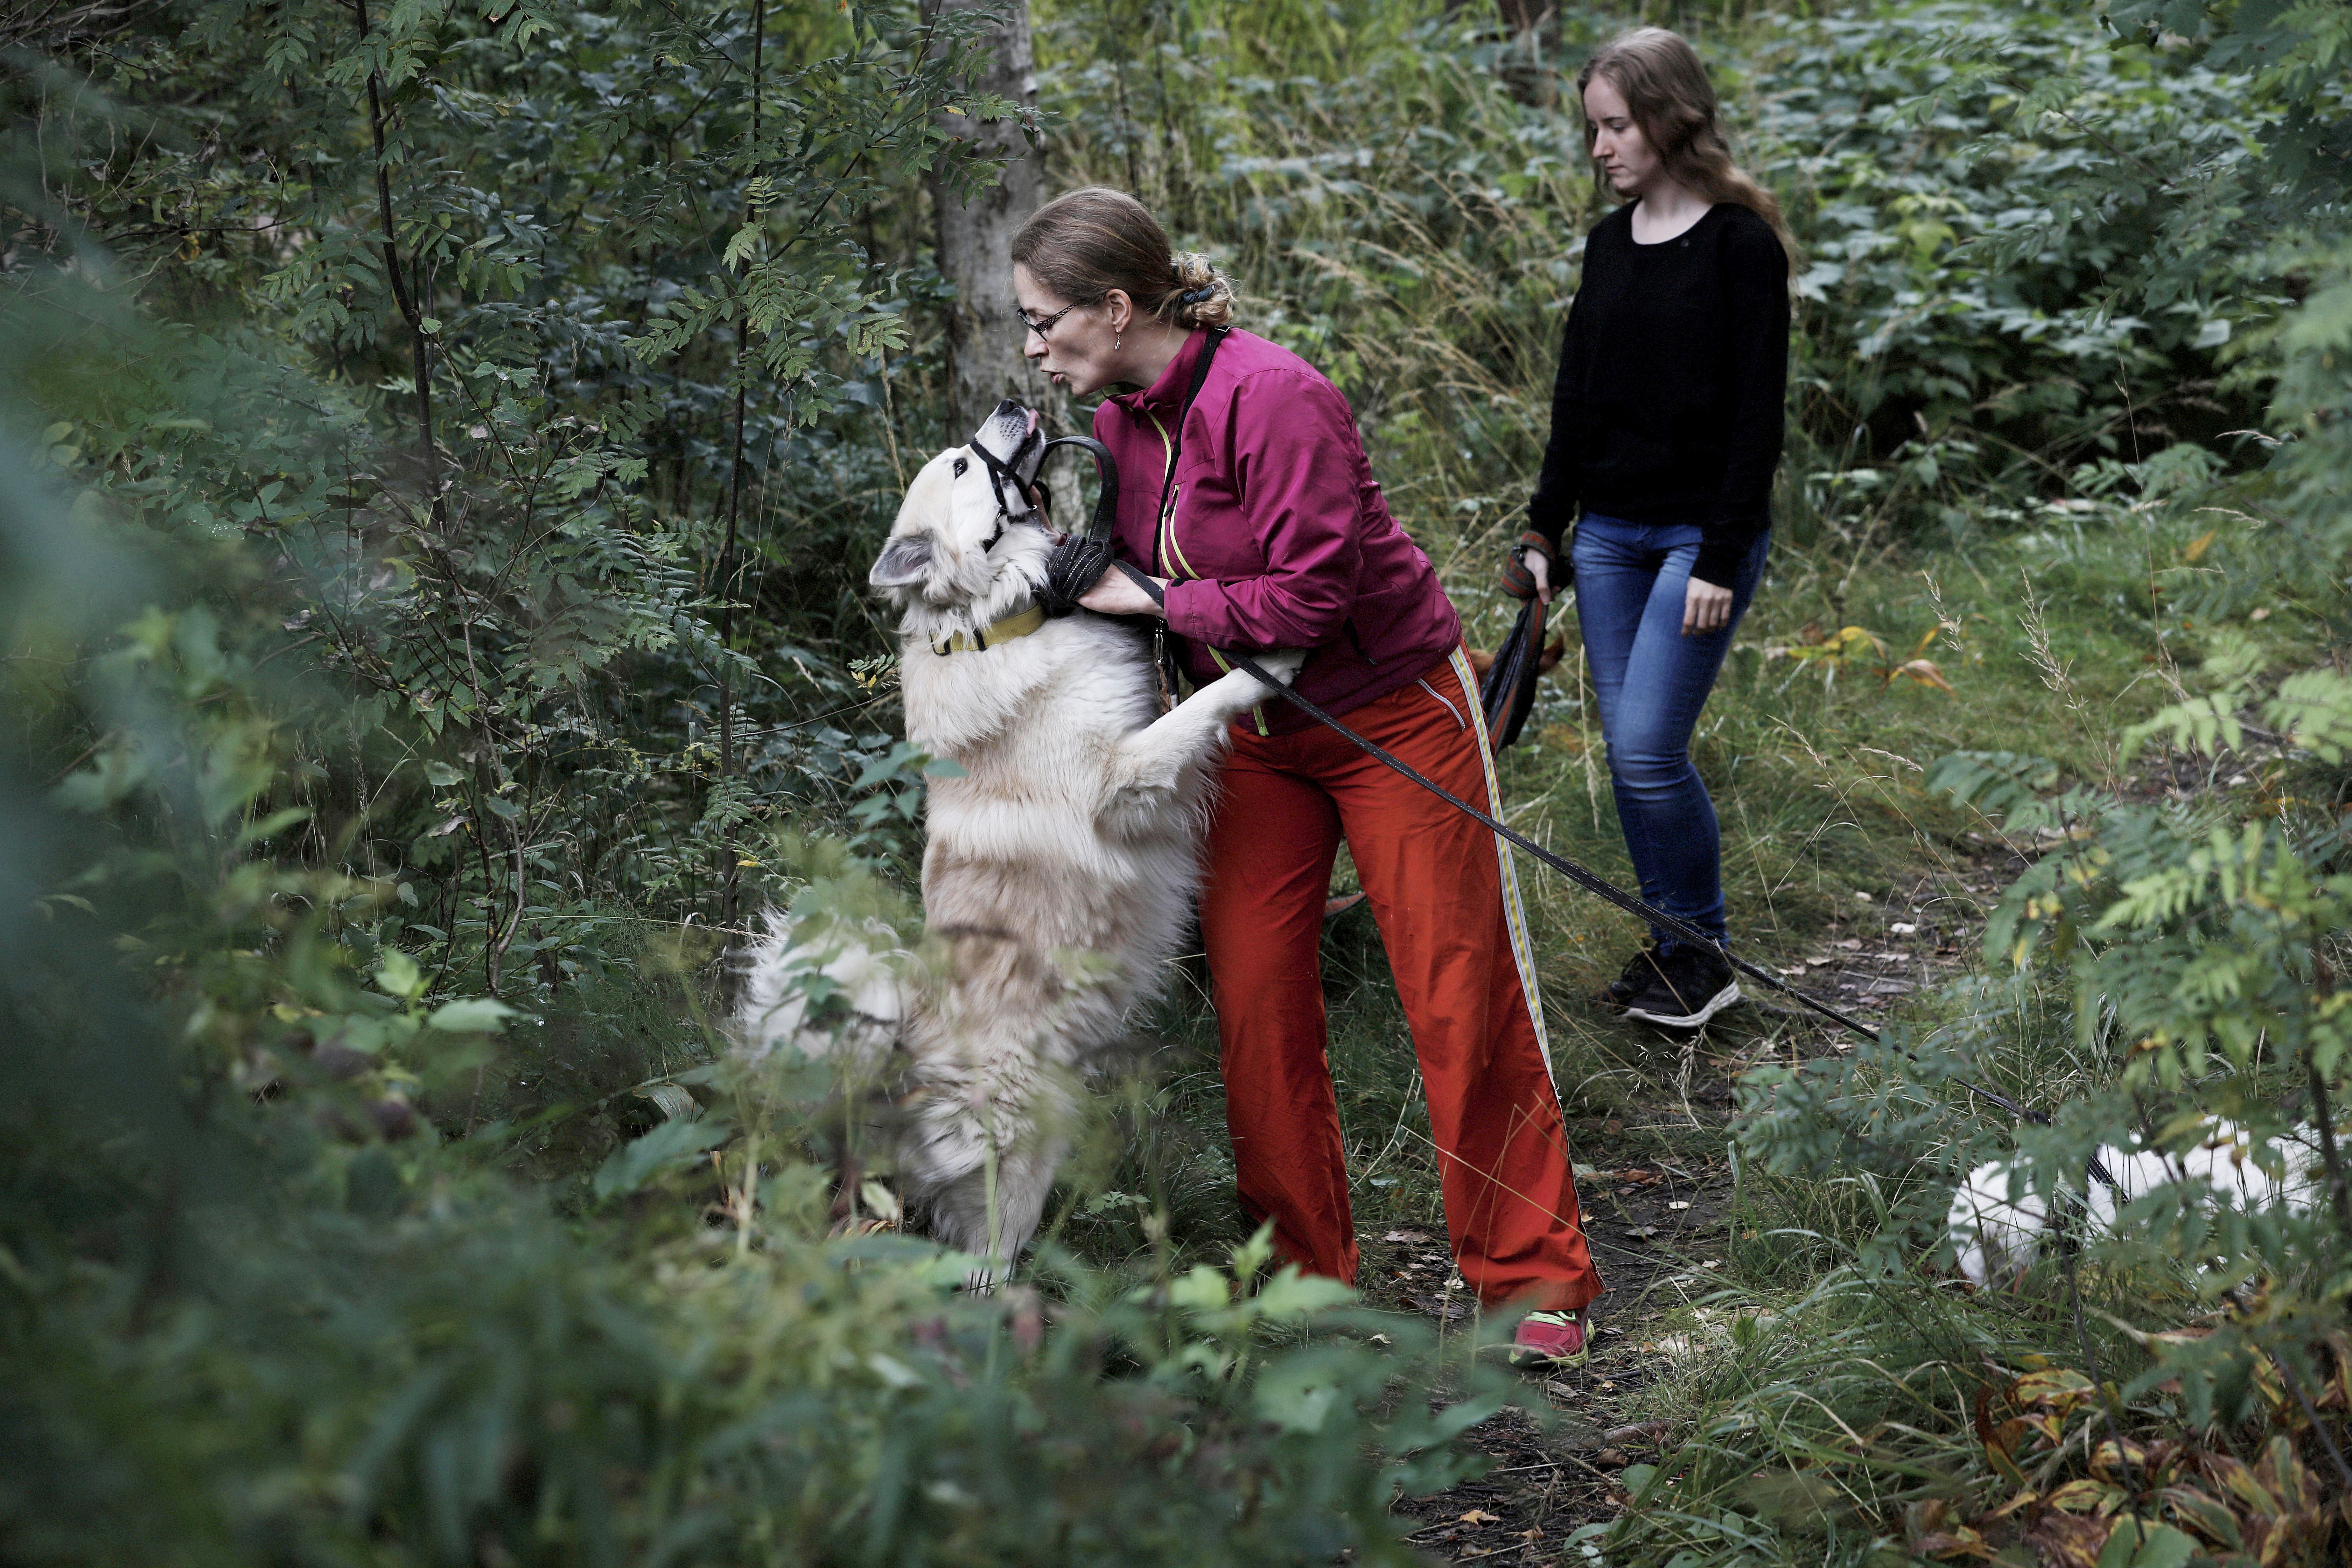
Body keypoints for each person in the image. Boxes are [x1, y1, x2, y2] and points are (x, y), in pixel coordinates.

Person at [1009, 186, 1603, 1367]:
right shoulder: (1126, 419)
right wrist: (1083, 581)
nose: (1032, 347)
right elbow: (1157, 583)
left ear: (1115, 306)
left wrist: (1151, 594)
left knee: (1455, 988)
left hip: (1393, 710)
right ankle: (1301, 1287)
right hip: (1250, 735)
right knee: (1256, 1004)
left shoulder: (1273, 396)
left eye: (1043, 320)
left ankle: (1534, 1278)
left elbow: (1309, 598)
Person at [1506, 27, 1792, 1030]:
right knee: (1633, 756)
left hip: (1695, 545)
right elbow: (1576, 400)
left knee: (1645, 754)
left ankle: (1703, 953)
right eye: (1594, 129)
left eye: (1617, 127)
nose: (1601, 149)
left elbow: (1759, 417)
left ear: (1671, 119)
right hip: (1610, 541)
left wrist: (1720, 552)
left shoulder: (1740, 247)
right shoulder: (1607, 247)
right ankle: (1678, 952)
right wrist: (1547, 531)